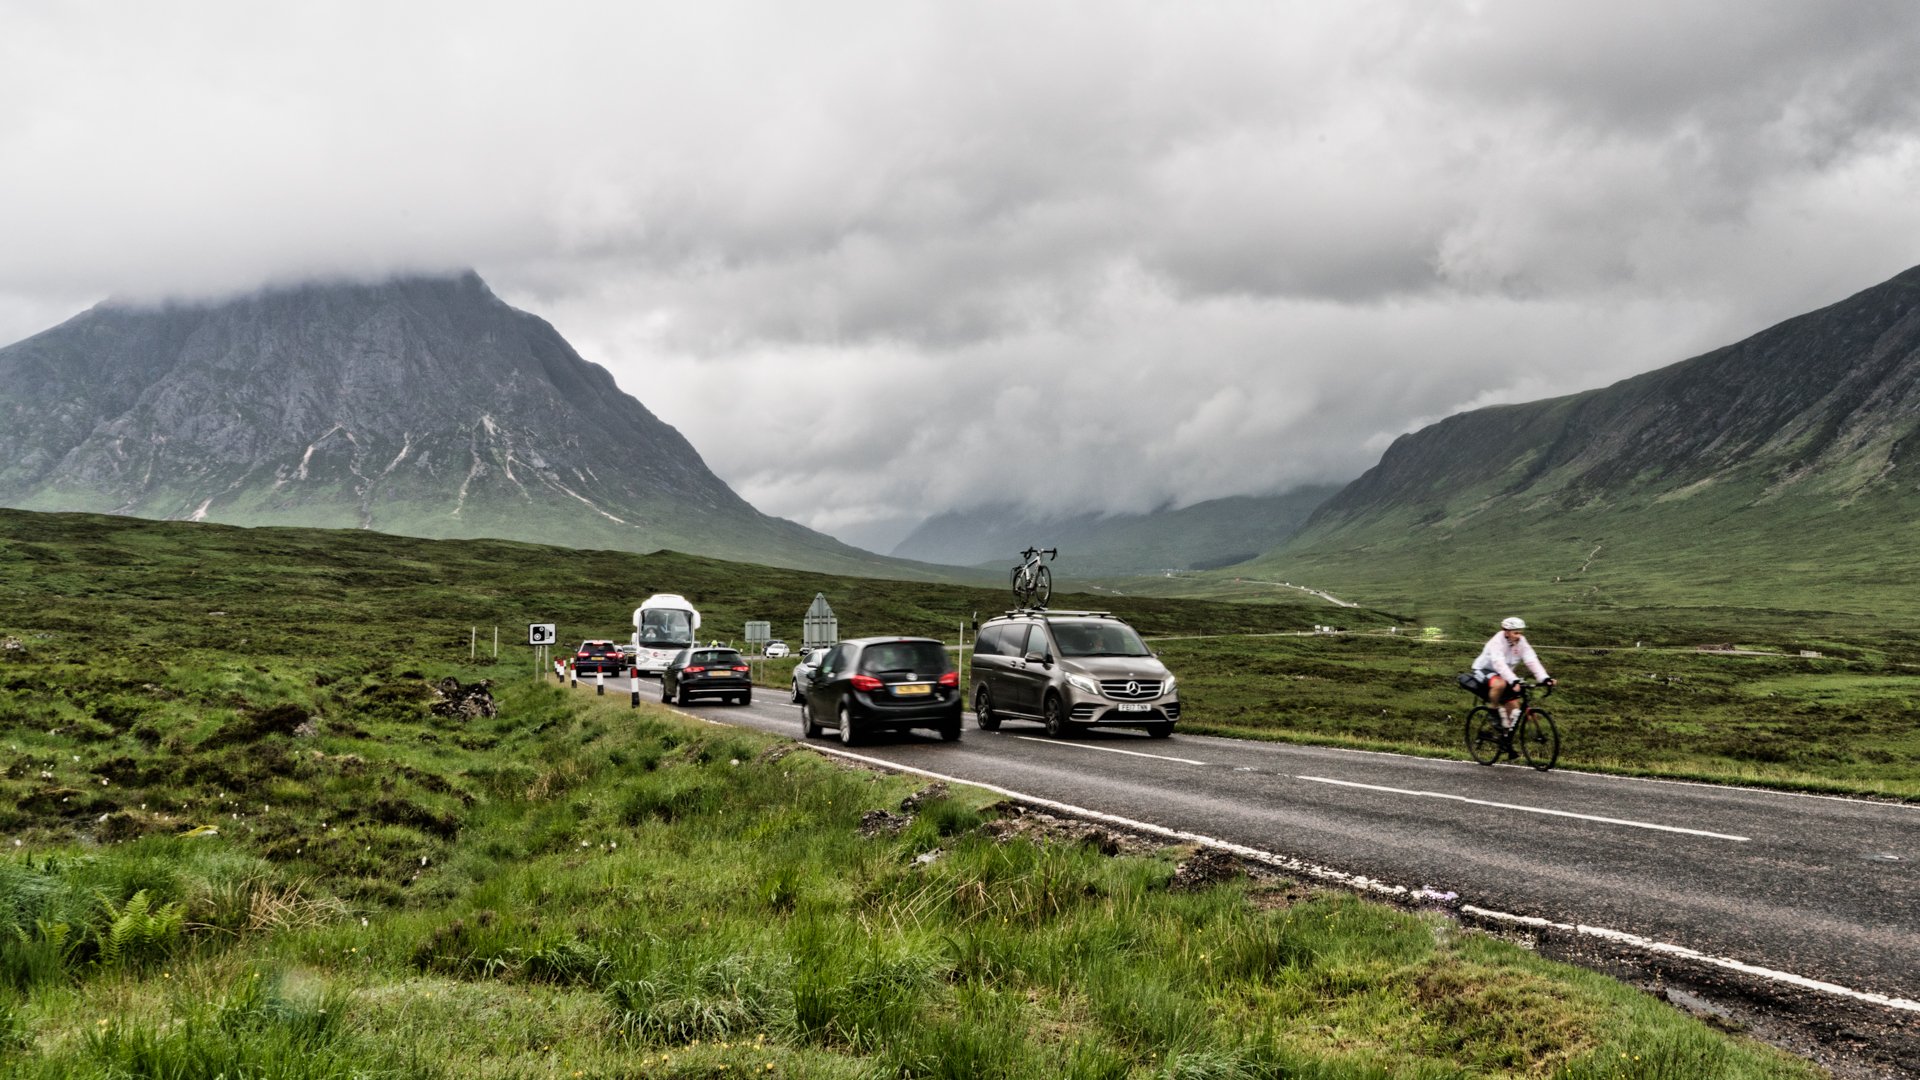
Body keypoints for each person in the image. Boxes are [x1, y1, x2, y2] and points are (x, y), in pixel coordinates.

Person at [1473, 617, 1555, 734]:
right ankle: (1493, 712)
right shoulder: (1497, 641)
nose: (1519, 636)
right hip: (1484, 670)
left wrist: (1544, 677)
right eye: (1515, 633)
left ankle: (1504, 739)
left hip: (1503, 674)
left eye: (1520, 633)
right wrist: (1512, 679)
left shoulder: (1521, 642)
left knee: (1513, 708)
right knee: (1500, 683)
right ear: (1506, 632)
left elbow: (1531, 660)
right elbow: (1499, 663)